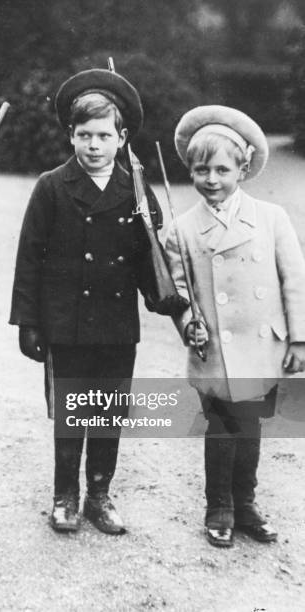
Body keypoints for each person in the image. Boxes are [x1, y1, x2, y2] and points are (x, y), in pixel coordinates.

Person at [10, 68, 161, 534]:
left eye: (103, 135)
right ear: (70, 136)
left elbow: (151, 259)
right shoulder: (52, 186)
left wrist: (165, 298)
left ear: (122, 138)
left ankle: (99, 494)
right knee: (73, 411)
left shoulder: (136, 191)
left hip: (116, 325)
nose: (93, 145)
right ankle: (65, 497)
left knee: (109, 410)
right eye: (83, 135)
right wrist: (28, 323)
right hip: (66, 322)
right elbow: (29, 257)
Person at [165, 105, 305, 547]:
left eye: (222, 169)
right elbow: (179, 293)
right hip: (217, 353)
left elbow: (294, 281)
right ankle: (219, 507)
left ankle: (245, 504)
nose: (211, 179)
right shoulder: (181, 231)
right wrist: (189, 324)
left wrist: (300, 337)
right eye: (200, 168)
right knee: (221, 428)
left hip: (263, 347)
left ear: (242, 169)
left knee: (252, 427)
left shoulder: (272, 217)